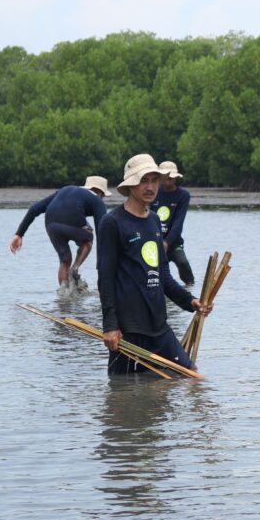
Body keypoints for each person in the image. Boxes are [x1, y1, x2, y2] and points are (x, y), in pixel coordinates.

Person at [96, 154, 211, 375]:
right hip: (128, 330)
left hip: (158, 325)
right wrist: (110, 326)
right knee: (122, 394)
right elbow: (106, 277)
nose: (150, 187)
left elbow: (163, 276)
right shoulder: (112, 223)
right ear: (131, 185)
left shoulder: (154, 220)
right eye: (144, 181)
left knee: (190, 375)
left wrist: (190, 301)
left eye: (154, 180)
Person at [10, 176, 111, 287]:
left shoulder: (65, 189)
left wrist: (19, 234)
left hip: (51, 223)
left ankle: (64, 296)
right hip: (73, 222)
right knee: (88, 237)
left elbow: (34, 209)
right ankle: (74, 269)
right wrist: (102, 263)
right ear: (101, 193)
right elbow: (102, 232)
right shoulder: (97, 200)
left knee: (65, 259)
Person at [151, 160, 194, 285]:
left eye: (171, 176)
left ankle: (190, 289)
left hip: (173, 242)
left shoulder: (183, 195)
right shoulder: (153, 192)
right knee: (154, 274)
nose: (169, 179)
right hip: (154, 241)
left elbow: (178, 223)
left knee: (183, 263)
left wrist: (167, 242)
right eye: (166, 176)